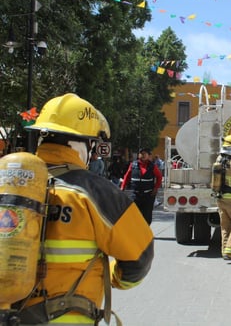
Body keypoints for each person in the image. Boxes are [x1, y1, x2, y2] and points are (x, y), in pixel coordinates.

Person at [20, 93, 154, 325]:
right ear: (81, 142)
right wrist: (113, 276)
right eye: (92, 144)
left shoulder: (7, 182)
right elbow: (140, 257)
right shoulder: (97, 192)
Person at [121, 148, 162, 225]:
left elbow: (159, 177)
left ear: (149, 156)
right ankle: (137, 233)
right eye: (141, 153)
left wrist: (156, 188)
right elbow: (127, 176)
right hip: (136, 195)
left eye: (144, 154)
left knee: (147, 216)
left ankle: (146, 234)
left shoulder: (152, 166)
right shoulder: (133, 165)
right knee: (135, 215)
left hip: (148, 195)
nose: (142, 155)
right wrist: (122, 187)